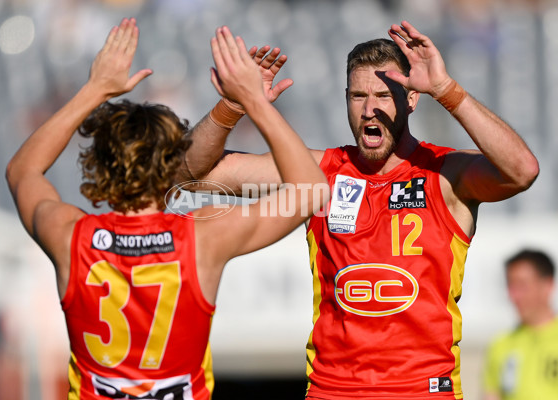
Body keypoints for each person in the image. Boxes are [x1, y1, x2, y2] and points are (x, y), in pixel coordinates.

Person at [183, 20, 540, 399]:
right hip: (333, 390)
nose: (369, 110)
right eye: (357, 96)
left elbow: (522, 171)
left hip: (422, 390)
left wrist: (446, 90)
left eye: (383, 95)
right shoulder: (315, 174)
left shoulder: (445, 174)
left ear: (412, 98)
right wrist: (232, 106)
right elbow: (194, 173)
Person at [5, 18, 329, 400]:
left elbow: (22, 169)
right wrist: (250, 102)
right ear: (170, 166)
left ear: (101, 165)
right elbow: (311, 190)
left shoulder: (67, 235)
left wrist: (94, 90)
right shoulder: (204, 236)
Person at [483, 249, 558, 400]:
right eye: (511, 286)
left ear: (547, 285)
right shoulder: (500, 345)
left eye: (522, 285)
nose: (514, 295)